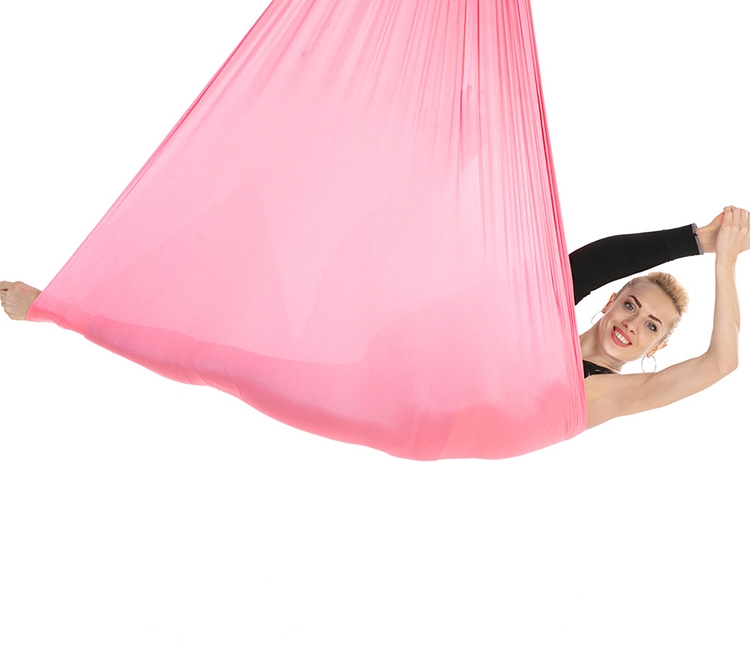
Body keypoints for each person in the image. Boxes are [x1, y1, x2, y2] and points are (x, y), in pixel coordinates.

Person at [2, 206, 747, 432]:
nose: (633, 324)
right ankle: (65, 306)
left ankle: (55, 310)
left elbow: (722, 364)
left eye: (652, 327)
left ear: (655, 350)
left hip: (401, 416)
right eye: (632, 304)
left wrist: (722, 262)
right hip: (393, 358)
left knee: (215, 361)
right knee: (227, 332)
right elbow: (588, 260)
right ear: (610, 301)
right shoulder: (541, 319)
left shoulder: (611, 391)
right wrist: (693, 237)